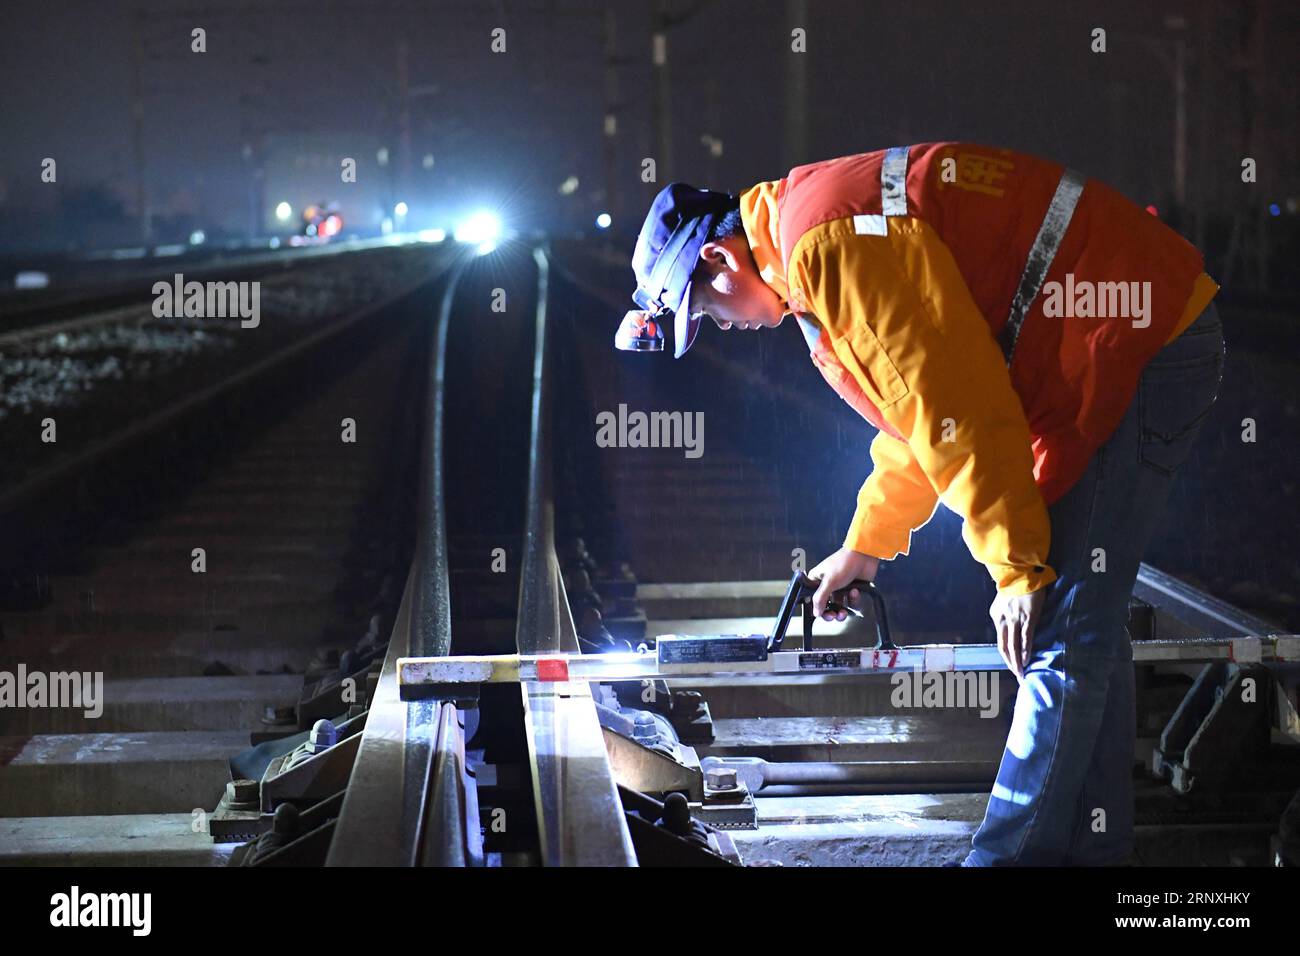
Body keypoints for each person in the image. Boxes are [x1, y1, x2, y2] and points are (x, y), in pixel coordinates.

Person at [615, 143, 1224, 865]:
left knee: (1059, 623)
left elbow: (953, 410)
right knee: (1081, 625)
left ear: (719, 259)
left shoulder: (825, 248)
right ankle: (1095, 852)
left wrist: (1015, 570)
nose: (725, 327)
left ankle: (1010, 858)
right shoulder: (812, 236)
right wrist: (866, 544)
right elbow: (920, 411)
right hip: (1113, 329)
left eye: (709, 313)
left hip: (1132, 334)